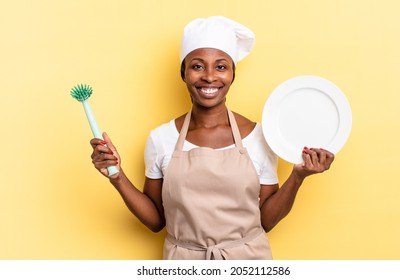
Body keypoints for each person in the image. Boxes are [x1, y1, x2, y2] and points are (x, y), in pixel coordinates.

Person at [90, 16, 334, 260]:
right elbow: (156, 221)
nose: (209, 76)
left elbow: (267, 220)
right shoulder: (161, 138)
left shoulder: (260, 136)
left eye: (220, 66)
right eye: (197, 66)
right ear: (183, 73)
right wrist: (117, 177)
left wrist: (298, 177)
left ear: (232, 74)